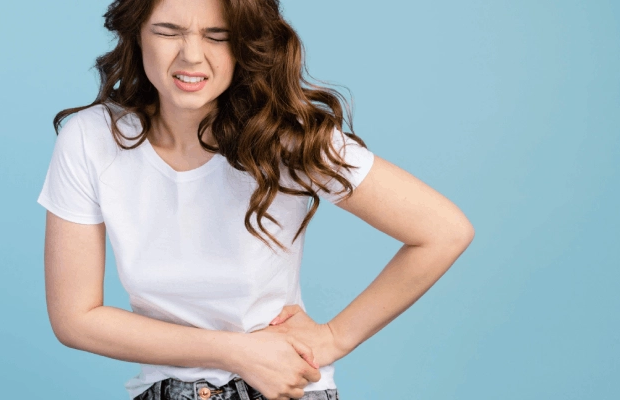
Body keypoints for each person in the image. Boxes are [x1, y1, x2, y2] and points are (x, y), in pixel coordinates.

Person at [36, 0, 474, 399]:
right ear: (136, 34)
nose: (191, 55)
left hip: (282, 388)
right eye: (168, 31)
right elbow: (76, 317)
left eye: (217, 35)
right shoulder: (91, 138)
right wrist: (236, 352)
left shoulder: (284, 137)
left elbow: (443, 231)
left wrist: (336, 337)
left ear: (245, 43)